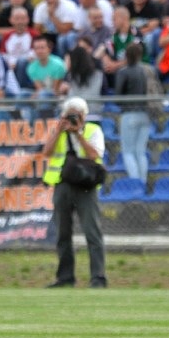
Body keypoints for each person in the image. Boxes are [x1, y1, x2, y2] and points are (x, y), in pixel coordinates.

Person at [41, 97, 107, 289]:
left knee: (92, 232)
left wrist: (78, 133)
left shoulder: (93, 130)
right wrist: (58, 131)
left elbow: (95, 155)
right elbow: (46, 152)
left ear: (84, 116)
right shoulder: (59, 131)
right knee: (62, 232)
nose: (72, 118)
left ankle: (98, 278)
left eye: (76, 115)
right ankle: (65, 277)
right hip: (63, 185)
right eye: (69, 114)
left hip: (86, 186)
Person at [113, 42, 152, 182]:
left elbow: (117, 97)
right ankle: (143, 181)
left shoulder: (124, 72)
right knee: (140, 152)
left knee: (128, 151)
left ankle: (135, 182)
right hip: (145, 113)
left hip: (129, 114)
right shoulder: (146, 71)